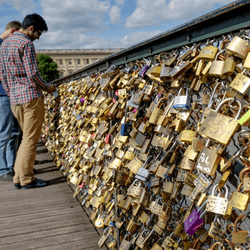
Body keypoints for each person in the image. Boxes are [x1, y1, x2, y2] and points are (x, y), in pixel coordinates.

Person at [0, 13, 56, 189]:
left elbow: (2, 75)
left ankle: (18, 178)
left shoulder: (5, 44)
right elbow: (33, 74)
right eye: (38, 33)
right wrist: (48, 88)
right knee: (30, 140)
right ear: (31, 28)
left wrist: (11, 94)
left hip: (15, 100)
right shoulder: (26, 43)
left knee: (25, 139)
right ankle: (26, 179)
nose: (38, 38)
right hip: (30, 98)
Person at [0, 21, 22, 181]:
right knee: (4, 133)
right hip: (3, 94)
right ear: (13, 31)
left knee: (13, 132)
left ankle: (11, 166)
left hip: (9, 93)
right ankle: (3, 169)